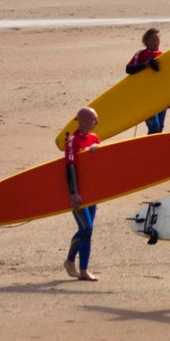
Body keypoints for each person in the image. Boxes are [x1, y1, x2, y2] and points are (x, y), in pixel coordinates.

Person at [64, 106, 101, 280]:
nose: (98, 122)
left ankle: (84, 270)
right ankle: (70, 261)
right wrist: (74, 193)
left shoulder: (94, 138)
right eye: (95, 119)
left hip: (92, 192)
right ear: (85, 121)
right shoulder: (72, 140)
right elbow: (70, 166)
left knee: (88, 231)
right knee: (86, 227)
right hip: (78, 193)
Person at [125, 29, 166, 133]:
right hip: (144, 98)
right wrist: (146, 64)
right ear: (146, 41)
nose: (156, 43)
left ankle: (155, 149)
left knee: (160, 128)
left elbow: (168, 78)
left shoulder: (163, 56)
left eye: (158, 40)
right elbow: (128, 69)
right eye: (153, 40)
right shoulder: (141, 54)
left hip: (161, 97)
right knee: (154, 127)